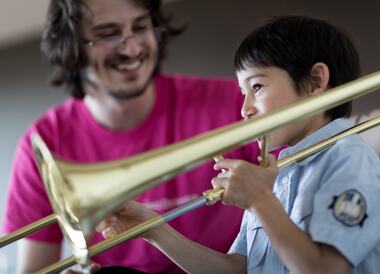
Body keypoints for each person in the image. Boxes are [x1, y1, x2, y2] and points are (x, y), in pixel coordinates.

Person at [97, 15, 380, 274]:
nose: (245, 109)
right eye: (243, 92)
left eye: (257, 86)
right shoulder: (274, 172)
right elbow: (235, 269)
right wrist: (154, 230)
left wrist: (259, 199)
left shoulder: (348, 156)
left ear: (314, 81)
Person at [2, 0, 274, 273]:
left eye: (141, 27)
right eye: (108, 34)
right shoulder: (45, 143)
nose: (132, 49)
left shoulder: (238, 104)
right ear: (72, 48)